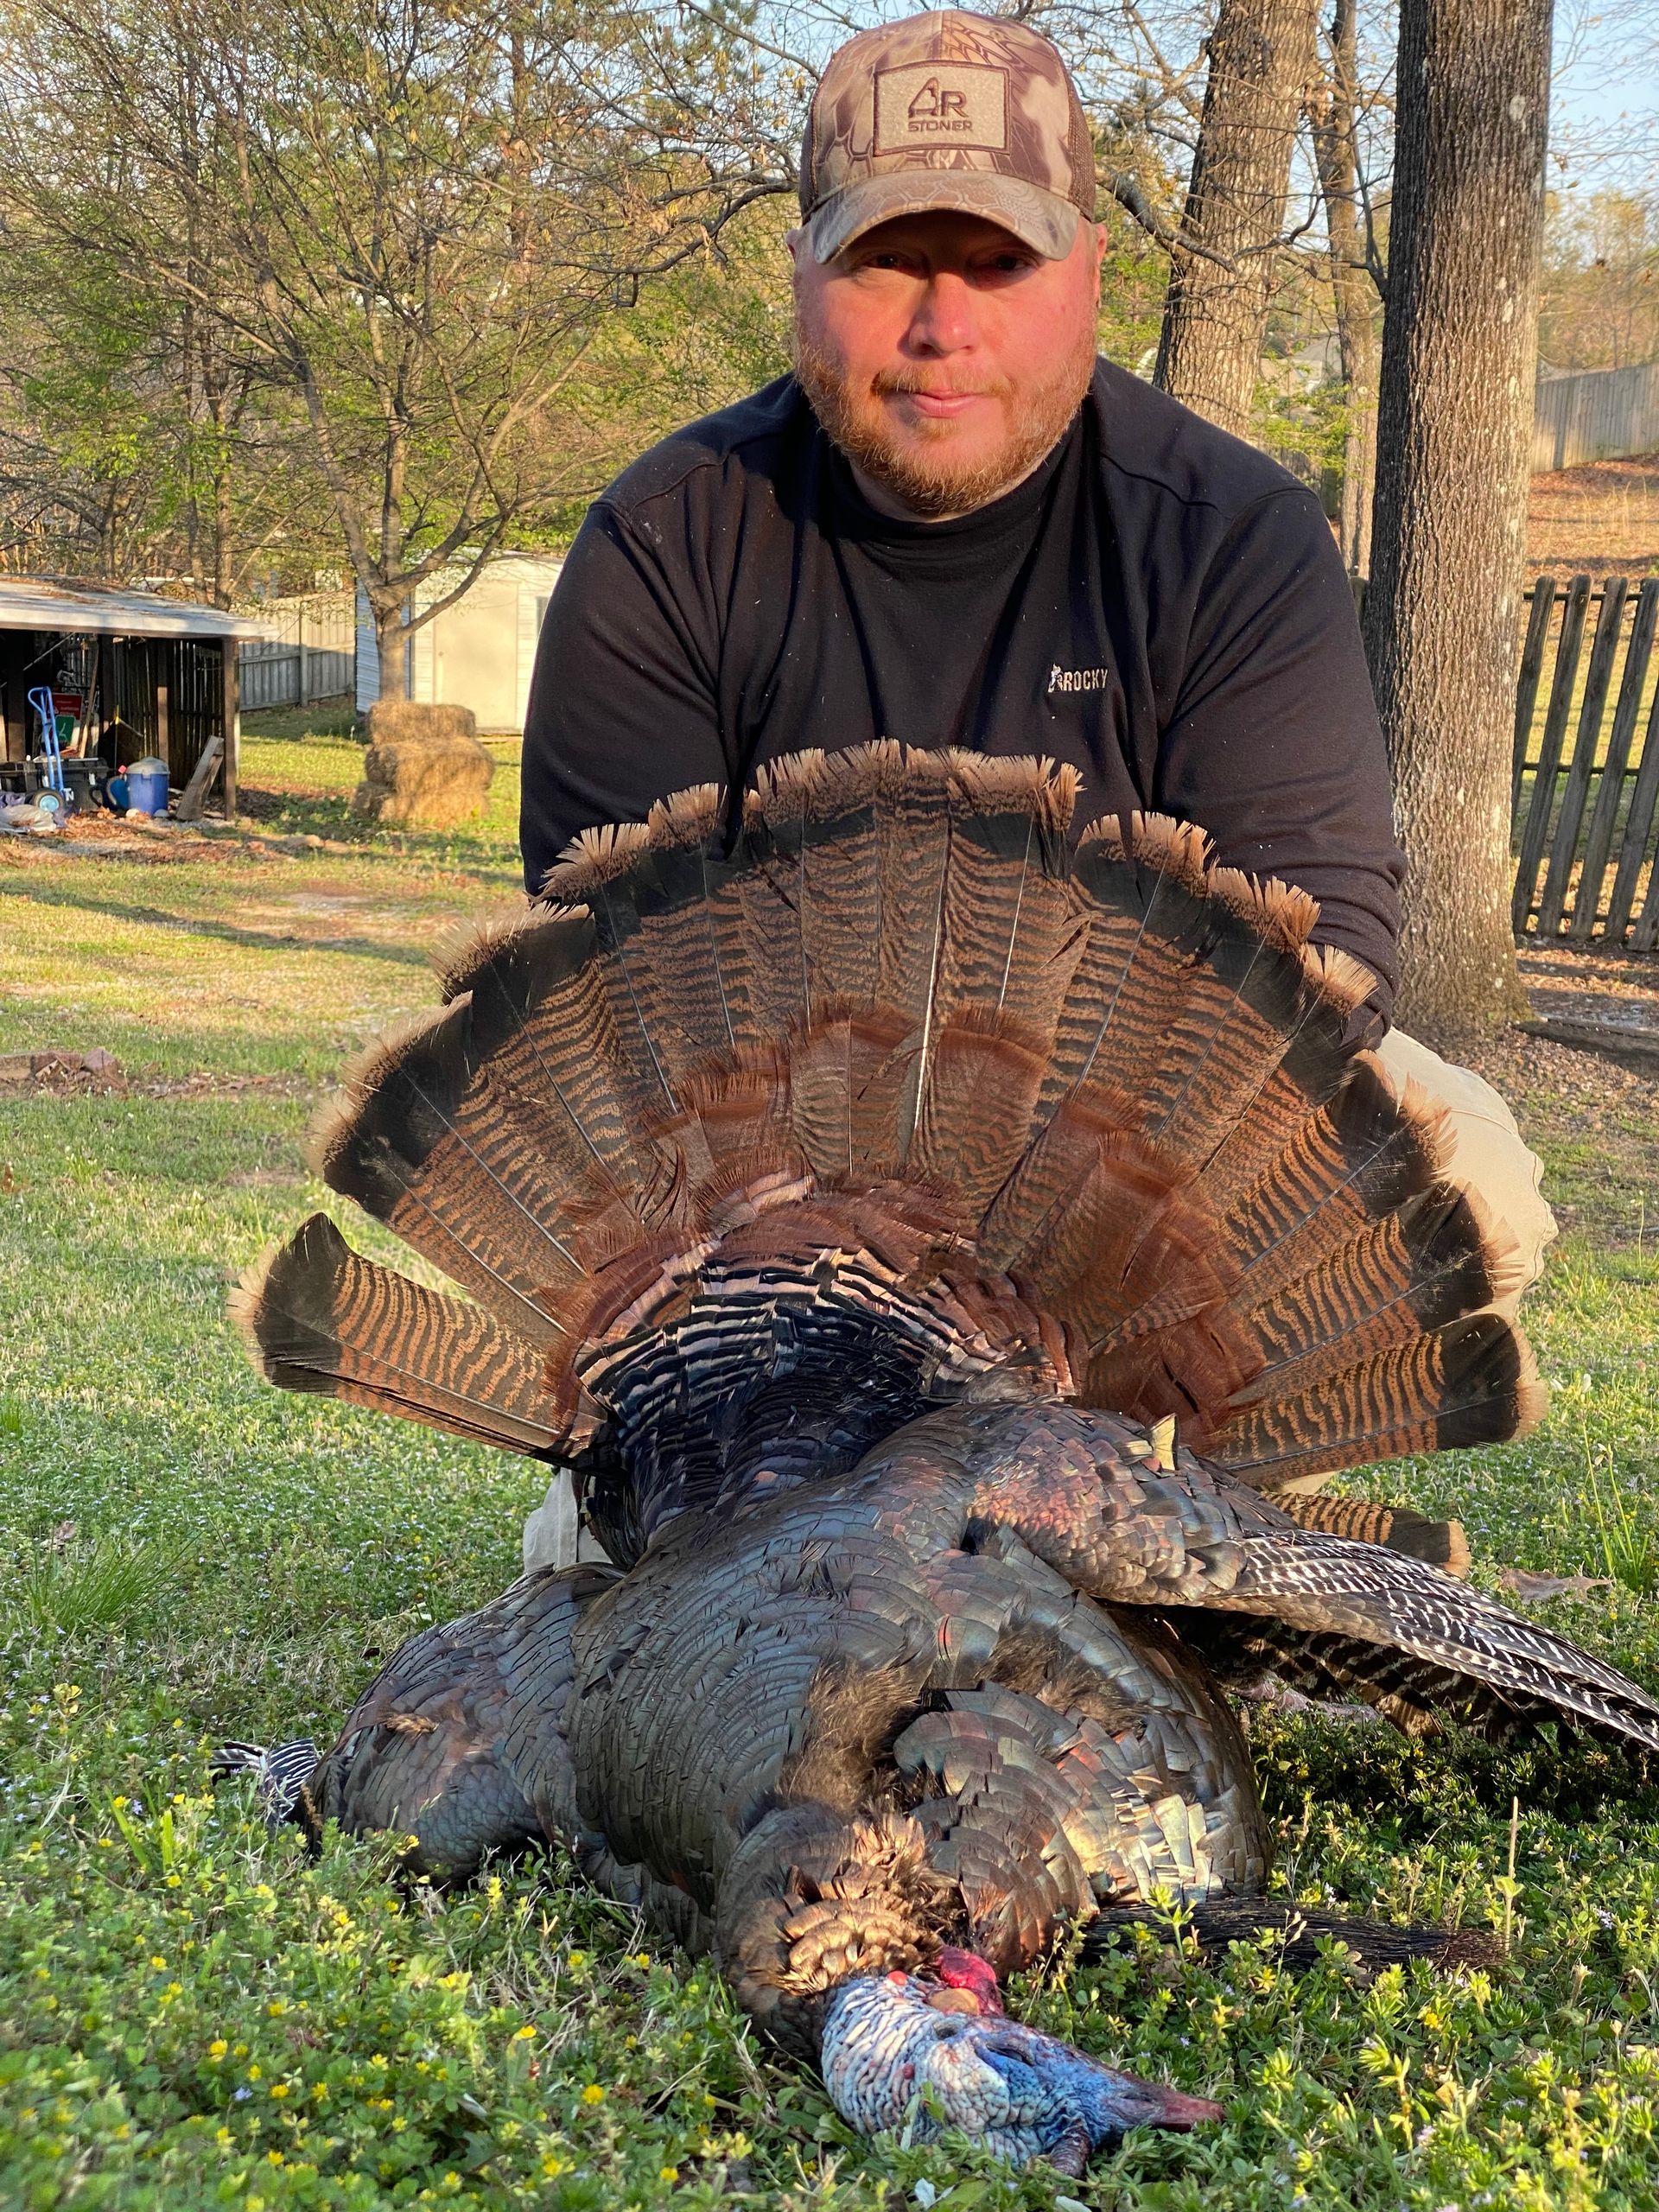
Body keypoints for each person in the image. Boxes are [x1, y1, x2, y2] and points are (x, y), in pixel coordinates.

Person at [517, 8, 1553, 1573]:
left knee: (1466, 1162)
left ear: (1085, 277)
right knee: (606, 1599)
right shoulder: (670, 544)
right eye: (886, 263)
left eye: (996, 263)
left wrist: (1063, 1261)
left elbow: (1320, 974)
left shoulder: (1229, 535)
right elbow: (617, 1021)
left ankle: (1173, 1494)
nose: (943, 323)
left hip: (1133, 1217)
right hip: (782, 1250)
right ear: (804, 272)